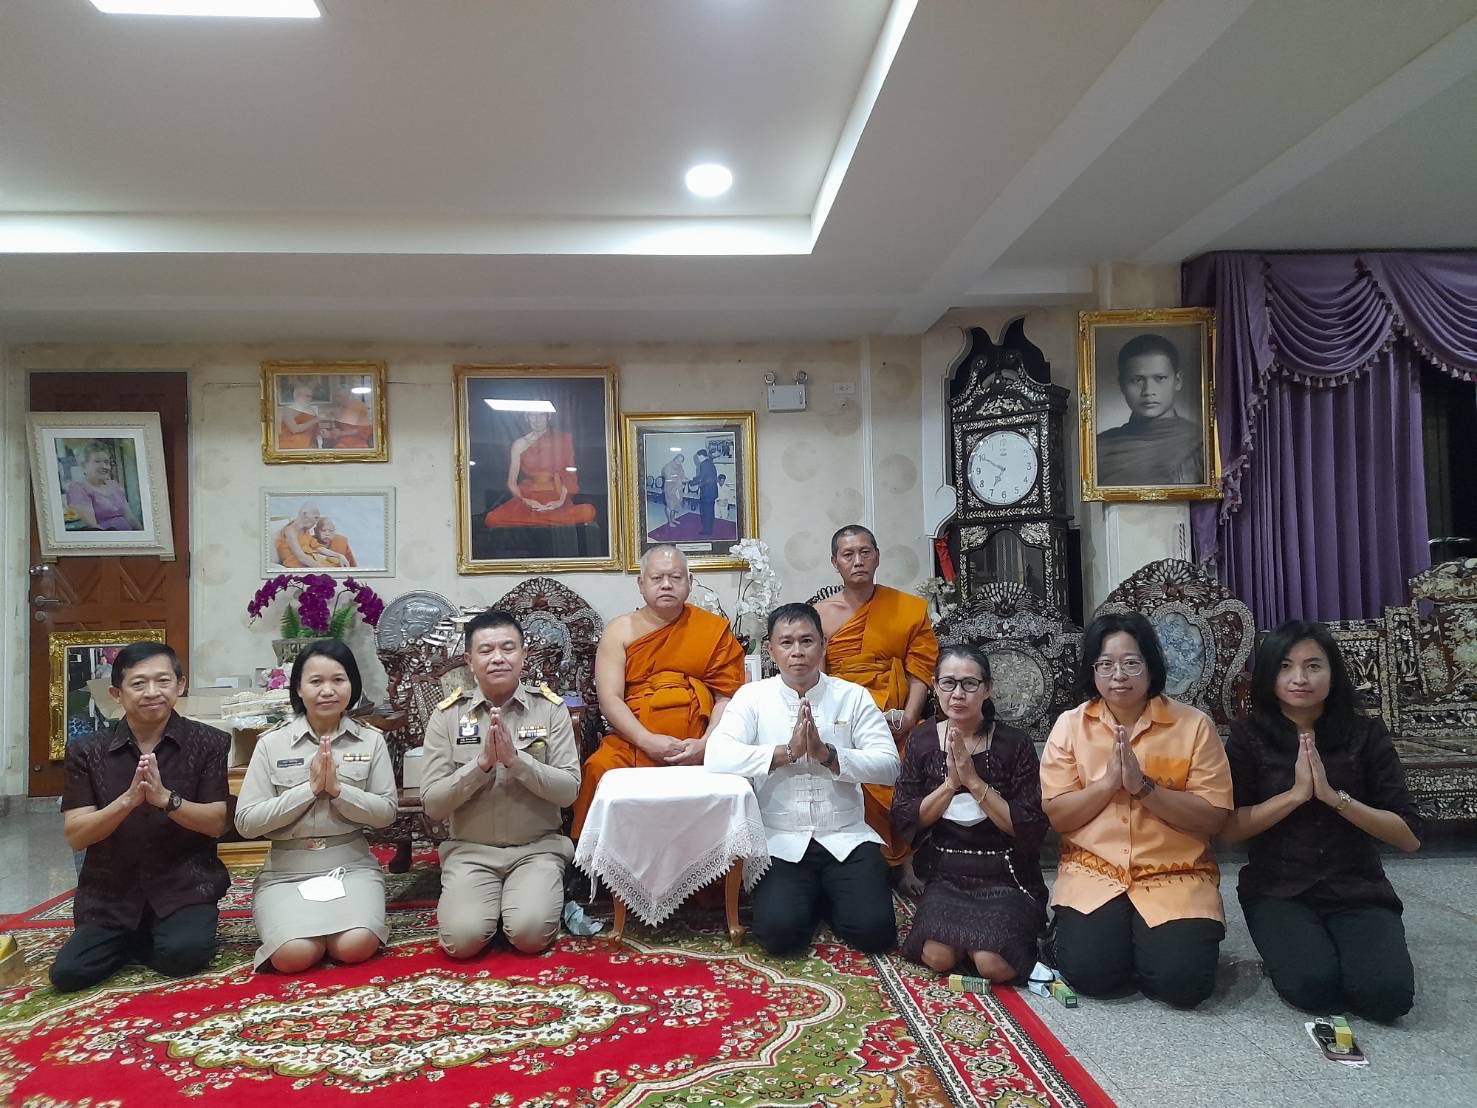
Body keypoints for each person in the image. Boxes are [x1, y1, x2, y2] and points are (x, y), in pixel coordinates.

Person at [1221, 622, 1421, 1022]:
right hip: (1278, 889)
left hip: (1356, 887)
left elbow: (1409, 836)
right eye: (1285, 666)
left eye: (1313, 666)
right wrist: (1294, 796)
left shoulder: (1366, 734)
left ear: (1333, 673)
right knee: (1312, 988)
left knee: (1387, 998)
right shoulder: (1247, 737)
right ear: (1269, 676)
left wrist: (1334, 798)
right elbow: (1228, 832)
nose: (1300, 678)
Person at [1040, 612, 1233, 1008]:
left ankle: (1156, 945)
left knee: (1182, 985)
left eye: (1131, 663)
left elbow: (1214, 816)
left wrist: (1144, 788)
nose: (1119, 676)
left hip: (1174, 874)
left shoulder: (1194, 726)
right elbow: (1058, 816)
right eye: (1106, 664)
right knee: (1092, 977)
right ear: (1092, 670)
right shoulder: (1070, 726)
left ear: (1151, 666)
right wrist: (1107, 785)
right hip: (1094, 872)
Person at [705, 603, 900, 955]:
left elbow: (889, 766)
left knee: (875, 934)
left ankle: (826, 899)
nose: (797, 651)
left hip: (845, 837)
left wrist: (829, 756)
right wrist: (787, 753)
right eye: (787, 642)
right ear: (771, 650)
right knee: (780, 937)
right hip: (781, 841)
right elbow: (717, 756)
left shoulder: (852, 696)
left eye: (807, 641)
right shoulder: (752, 697)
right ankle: (814, 899)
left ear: (824, 644)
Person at [50, 642, 229, 992]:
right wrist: (127, 802)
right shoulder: (86, 751)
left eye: (163, 681)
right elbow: (77, 835)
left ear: (180, 685)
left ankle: (143, 939)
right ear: (117, 693)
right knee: (69, 974)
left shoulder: (210, 743)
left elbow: (216, 823)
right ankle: (132, 937)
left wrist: (167, 800)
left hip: (183, 885)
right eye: (138, 683)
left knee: (184, 955)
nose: (152, 692)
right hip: (112, 893)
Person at [420, 610, 581, 957]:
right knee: (462, 942)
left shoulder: (550, 709)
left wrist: (516, 761)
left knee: (529, 935)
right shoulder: (448, 715)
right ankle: (492, 908)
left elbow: (569, 792)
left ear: (523, 655)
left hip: (536, 849)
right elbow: (433, 805)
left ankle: (528, 900)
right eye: (486, 650)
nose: (497, 658)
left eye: (508, 648)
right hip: (470, 853)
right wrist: (480, 766)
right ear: (469, 660)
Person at [235, 640, 398, 973]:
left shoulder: (371, 740)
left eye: (338, 680)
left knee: (354, 946)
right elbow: (247, 823)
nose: (327, 690)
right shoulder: (271, 744)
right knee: (292, 956)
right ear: (298, 687)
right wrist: (308, 791)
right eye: (316, 681)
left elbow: (386, 814)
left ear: (352, 685)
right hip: (286, 871)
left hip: (351, 866)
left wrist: (338, 791)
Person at [891, 645, 1047, 982]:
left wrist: (974, 782)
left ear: (987, 689)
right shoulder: (922, 740)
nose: (958, 694)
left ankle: (979, 944)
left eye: (969, 684)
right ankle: (968, 943)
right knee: (938, 956)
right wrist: (950, 784)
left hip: (1005, 873)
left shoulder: (1014, 744)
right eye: (948, 683)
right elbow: (905, 817)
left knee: (992, 964)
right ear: (935, 687)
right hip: (946, 872)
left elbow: (1030, 825)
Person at [571, 545, 746, 836]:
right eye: (657, 578)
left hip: (698, 741)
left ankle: (717, 862)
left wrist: (707, 744)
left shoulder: (713, 631)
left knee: (736, 779)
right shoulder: (620, 630)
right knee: (599, 769)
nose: (666, 584)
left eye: (676, 577)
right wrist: (647, 740)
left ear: (690, 582)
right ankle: (599, 861)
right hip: (633, 741)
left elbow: (726, 696)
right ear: (641, 584)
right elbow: (610, 700)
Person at [817, 524, 939, 896]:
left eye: (865, 552)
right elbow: (818, 679)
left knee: (907, 763)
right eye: (848, 554)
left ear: (877, 557)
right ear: (835, 563)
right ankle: (856, 860)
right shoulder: (820, 615)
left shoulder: (907, 609)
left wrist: (908, 718)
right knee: (848, 762)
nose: (858, 561)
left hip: (897, 717)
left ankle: (905, 863)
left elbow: (920, 671)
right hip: (844, 720)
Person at [1094, 333, 1204, 487]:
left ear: (1178, 381)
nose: (1148, 391)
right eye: (1137, 380)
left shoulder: (1199, 444)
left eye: (1160, 378)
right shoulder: (1100, 448)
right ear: (1122, 385)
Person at [484, 411, 597, 528]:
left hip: (555, 496)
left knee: (587, 513)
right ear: (526, 418)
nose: (537, 420)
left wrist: (559, 502)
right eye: (532, 415)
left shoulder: (563, 440)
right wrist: (525, 501)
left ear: (549, 416)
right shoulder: (519, 444)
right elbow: (512, 483)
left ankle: (541, 519)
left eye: (541, 415)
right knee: (492, 519)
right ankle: (543, 519)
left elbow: (569, 475)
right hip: (528, 495)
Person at [65, 441, 143, 531]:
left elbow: (130, 518)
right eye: (97, 461)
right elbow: (93, 527)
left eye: (106, 462)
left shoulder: (114, 485)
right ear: (84, 465)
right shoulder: (78, 488)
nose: (104, 466)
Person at [324, 383, 374, 450]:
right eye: (335, 396)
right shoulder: (334, 409)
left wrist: (342, 433)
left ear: (347, 396)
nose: (336, 399)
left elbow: (365, 429)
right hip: (340, 443)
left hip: (358, 443)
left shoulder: (358, 407)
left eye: (339, 396)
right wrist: (328, 433)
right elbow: (333, 431)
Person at [274, 503, 323, 569]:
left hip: (310, 558)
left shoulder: (305, 530)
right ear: (304, 514)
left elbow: (317, 547)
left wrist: (337, 555)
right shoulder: (290, 530)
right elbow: (301, 558)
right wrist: (324, 569)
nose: (316, 522)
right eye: (316, 517)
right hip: (295, 563)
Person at [277, 381, 320, 450]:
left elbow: (315, 431)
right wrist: (315, 420)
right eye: (308, 396)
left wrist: (325, 433)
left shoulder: (311, 410)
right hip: (290, 446)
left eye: (311, 396)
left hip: (307, 446)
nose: (311, 399)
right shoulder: (288, 410)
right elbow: (294, 429)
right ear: (298, 396)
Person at [692, 449, 719, 536]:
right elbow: (708, 478)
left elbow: (701, 477)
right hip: (712, 491)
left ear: (701, 456)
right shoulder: (710, 463)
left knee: (705, 512)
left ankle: (707, 531)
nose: (698, 459)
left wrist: (692, 482)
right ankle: (709, 529)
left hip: (707, 492)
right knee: (710, 512)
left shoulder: (704, 464)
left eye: (698, 457)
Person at [661, 452, 688, 525]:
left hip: (677, 488)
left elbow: (682, 474)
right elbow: (668, 477)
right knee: (670, 505)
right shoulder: (668, 466)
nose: (679, 462)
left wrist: (685, 479)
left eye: (681, 461)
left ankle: (673, 519)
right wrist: (680, 479)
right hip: (669, 488)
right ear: (675, 458)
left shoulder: (680, 466)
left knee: (675, 505)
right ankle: (669, 522)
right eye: (678, 460)